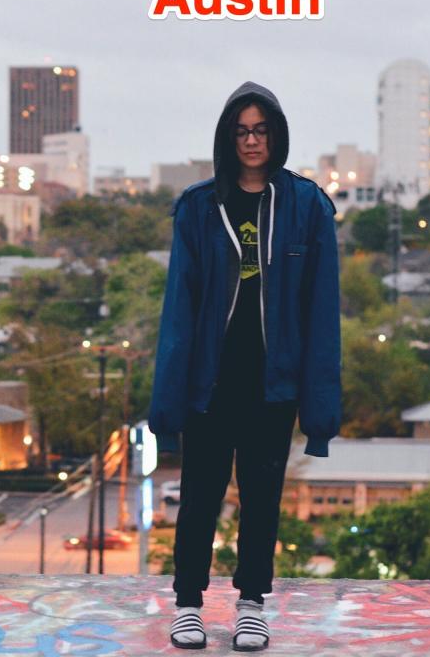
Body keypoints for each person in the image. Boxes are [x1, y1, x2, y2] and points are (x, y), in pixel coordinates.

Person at [148, 82, 341, 652]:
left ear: (276, 135)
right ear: (227, 138)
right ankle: (189, 605)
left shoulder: (307, 205)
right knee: (201, 495)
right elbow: (177, 309)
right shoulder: (199, 206)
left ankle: (251, 604)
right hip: (209, 382)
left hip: (272, 383)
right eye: (241, 131)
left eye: (260, 129)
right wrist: (169, 395)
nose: (252, 140)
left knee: (262, 497)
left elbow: (322, 310)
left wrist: (320, 404)